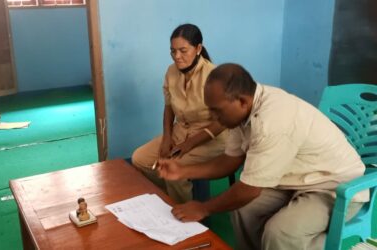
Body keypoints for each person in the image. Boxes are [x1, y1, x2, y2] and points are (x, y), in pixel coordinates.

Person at [157, 63, 368, 250]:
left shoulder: (271, 122)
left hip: (333, 185)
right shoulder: (242, 113)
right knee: (243, 210)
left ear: (241, 101)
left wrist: (203, 208)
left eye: (216, 111)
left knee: (280, 233)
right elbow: (229, 162)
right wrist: (182, 170)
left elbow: (249, 190)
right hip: (293, 178)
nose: (213, 117)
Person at [132, 24, 228, 203]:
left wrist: (189, 144)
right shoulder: (171, 72)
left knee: (173, 169)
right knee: (139, 159)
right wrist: (167, 137)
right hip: (180, 132)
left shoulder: (214, 76)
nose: (177, 56)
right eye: (173, 51)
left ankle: (187, 219)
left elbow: (222, 122)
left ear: (198, 48)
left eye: (183, 50)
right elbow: (168, 107)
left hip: (212, 139)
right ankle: (171, 201)